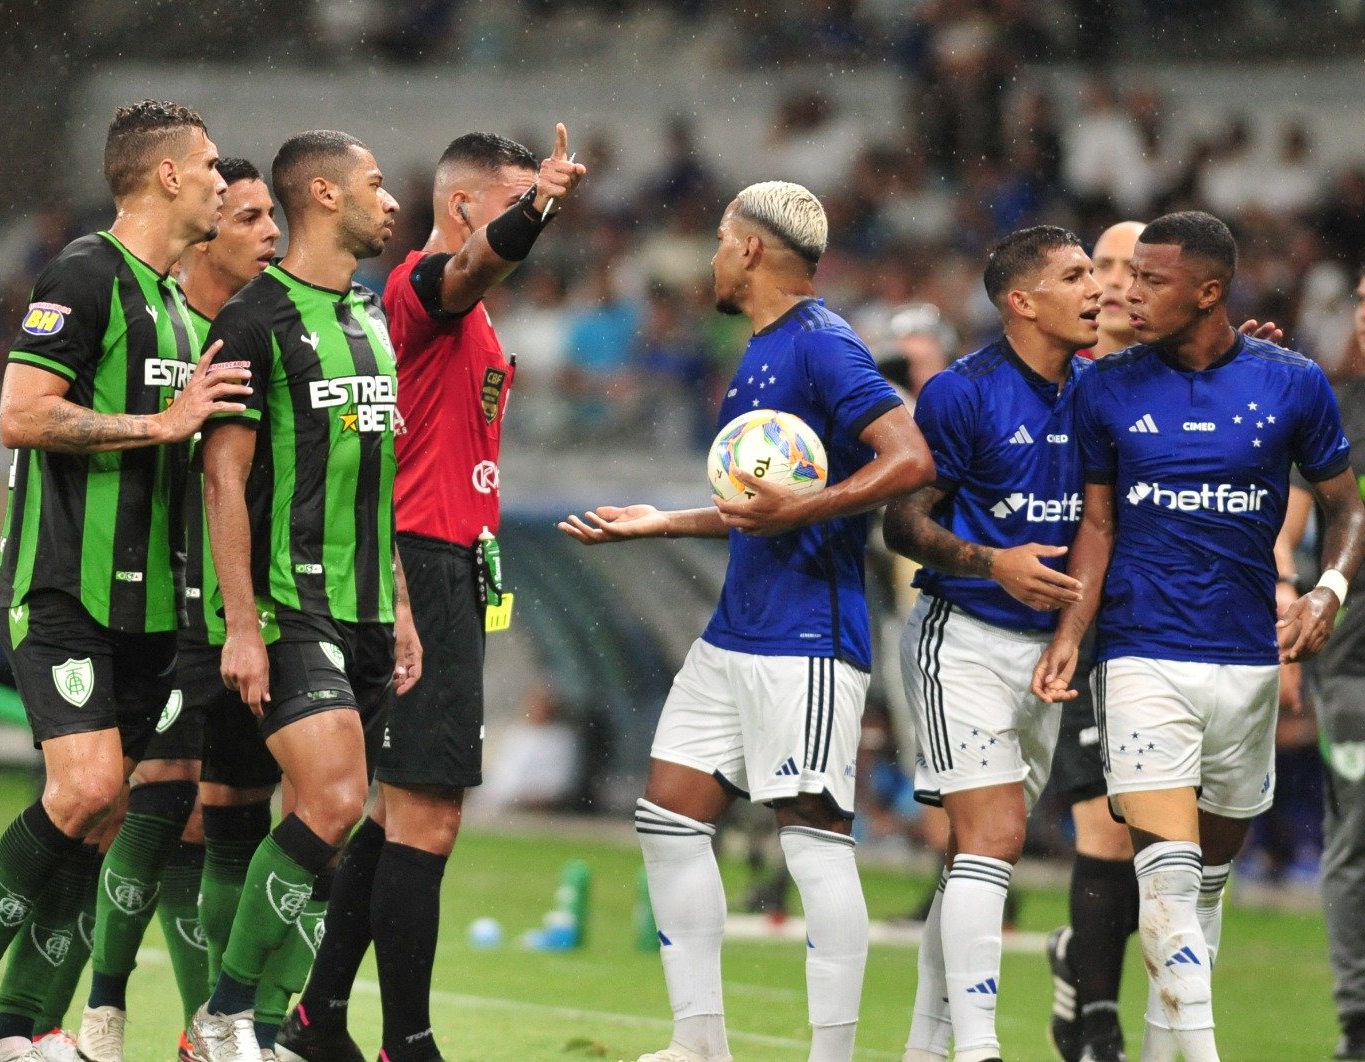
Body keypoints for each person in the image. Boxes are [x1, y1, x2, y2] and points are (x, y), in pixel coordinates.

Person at [560, 181, 934, 1062]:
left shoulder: (823, 345)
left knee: (810, 835)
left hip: (807, 634)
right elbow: (757, 503)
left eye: (723, 238)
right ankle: (699, 1045)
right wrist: (669, 520)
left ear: (754, 250)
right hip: (738, 628)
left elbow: (909, 456)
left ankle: (831, 1054)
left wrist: (808, 508)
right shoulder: (761, 350)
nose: (715, 257)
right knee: (668, 816)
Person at [0, 99, 248, 1062]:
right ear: (170, 177)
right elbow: (21, 414)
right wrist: (157, 425)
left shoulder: (181, 305)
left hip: (151, 607)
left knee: (105, 816)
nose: (226, 182)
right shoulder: (84, 272)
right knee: (89, 786)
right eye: (213, 165)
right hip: (64, 586)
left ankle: (23, 1030)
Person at [281, 127, 583, 1062]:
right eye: (516, 199)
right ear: (466, 208)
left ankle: (317, 1020)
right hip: (421, 563)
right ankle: (404, 1044)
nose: (538, 218)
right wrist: (533, 212)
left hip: (446, 565)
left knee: (396, 811)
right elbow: (467, 273)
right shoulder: (422, 289)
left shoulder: (469, 316)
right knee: (428, 814)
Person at [1033, 211, 1365, 1062]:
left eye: (1149, 280)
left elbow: (1343, 507)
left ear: (1209, 292)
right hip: (1143, 656)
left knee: (1203, 888)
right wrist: (1076, 627)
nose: (1124, 291)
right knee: (1171, 881)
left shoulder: (1292, 382)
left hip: (1249, 662)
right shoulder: (1105, 385)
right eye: (1124, 275)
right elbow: (1097, 524)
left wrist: (1327, 589)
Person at [0, 156, 277, 1062]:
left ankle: (54, 1025)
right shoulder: (125, 299)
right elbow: (29, 415)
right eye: (247, 215)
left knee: (139, 813)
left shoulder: (212, 324)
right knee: (121, 804)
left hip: (180, 604)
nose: (267, 235)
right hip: (118, 600)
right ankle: (43, 1011)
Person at [190, 130, 422, 1062]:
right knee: (331, 801)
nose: (391, 200)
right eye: (376, 184)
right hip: (291, 608)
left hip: (367, 610)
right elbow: (223, 477)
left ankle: (273, 1031)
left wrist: (401, 606)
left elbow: (379, 480)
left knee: (322, 826)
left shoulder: (368, 320)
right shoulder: (253, 321)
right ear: (322, 195)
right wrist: (241, 624)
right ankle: (225, 1016)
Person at [882, 226, 1100, 1062]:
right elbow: (904, 521)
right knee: (997, 837)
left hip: (1049, 651)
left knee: (983, 854)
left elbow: (1103, 523)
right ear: (1022, 301)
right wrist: (992, 564)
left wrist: (1070, 634)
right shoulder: (961, 394)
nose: (1095, 290)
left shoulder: (1097, 390)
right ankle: (977, 1050)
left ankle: (926, 1047)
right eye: (1075, 276)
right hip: (961, 638)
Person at [1043, 219, 1147, 1062]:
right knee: (1104, 831)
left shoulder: (1193, 380)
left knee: (1162, 840)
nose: (1112, 280)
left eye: (1130, 267)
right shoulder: (1051, 378)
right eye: (1099, 264)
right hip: (1082, 627)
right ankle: (1102, 1027)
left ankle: (1081, 957)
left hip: (1174, 629)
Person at [1277, 268, 1365, 1061]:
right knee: (1359, 837)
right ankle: (1358, 1022)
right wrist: (1286, 590)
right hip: (1355, 673)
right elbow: (1289, 525)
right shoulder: (1339, 411)